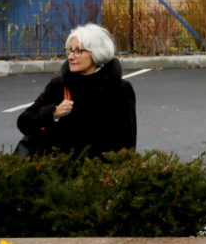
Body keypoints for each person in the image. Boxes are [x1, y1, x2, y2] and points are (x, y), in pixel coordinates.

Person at [16, 24, 136, 158]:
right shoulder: (59, 85)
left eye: (78, 51)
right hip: (58, 173)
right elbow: (24, 122)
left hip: (99, 174)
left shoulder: (120, 89)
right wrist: (53, 113)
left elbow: (127, 142)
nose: (71, 57)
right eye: (70, 51)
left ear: (96, 53)